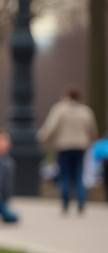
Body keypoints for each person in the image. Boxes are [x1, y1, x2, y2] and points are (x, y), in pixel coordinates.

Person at [37, 85, 98, 215]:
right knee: (78, 175)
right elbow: (92, 129)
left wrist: (42, 137)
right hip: (81, 146)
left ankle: (65, 204)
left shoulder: (60, 109)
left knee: (64, 175)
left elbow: (50, 126)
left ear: (67, 96)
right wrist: (92, 141)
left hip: (64, 146)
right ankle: (81, 203)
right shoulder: (85, 111)